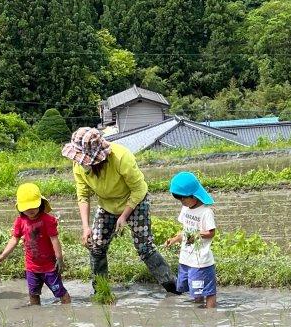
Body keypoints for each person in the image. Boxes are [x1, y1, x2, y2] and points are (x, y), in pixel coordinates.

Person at [62, 127, 178, 294]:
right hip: (107, 205)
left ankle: (173, 288)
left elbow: (138, 189)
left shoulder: (121, 157)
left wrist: (124, 216)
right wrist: (86, 226)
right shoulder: (78, 164)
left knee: (144, 248)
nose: (81, 162)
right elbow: (83, 195)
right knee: (96, 246)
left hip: (135, 201)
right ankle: (101, 292)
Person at [0, 182, 70, 305]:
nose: (30, 210)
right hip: (32, 267)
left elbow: (54, 239)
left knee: (61, 293)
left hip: (50, 266)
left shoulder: (48, 220)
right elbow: (14, 239)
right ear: (20, 207)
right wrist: (3, 255)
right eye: (26, 207)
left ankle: (68, 312)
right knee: (33, 294)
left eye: (33, 206)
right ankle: (36, 316)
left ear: (40, 203)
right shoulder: (20, 221)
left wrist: (60, 258)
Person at [167, 171, 217, 308]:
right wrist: (175, 239)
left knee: (208, 290)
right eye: (180, 199)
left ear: (194, 195)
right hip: (186, 258)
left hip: (200, 261)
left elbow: (211, 233)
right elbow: (185, 230)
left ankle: (211, 314)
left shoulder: (206, 212)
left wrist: (196, 235)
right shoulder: (186, 208)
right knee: (196, 290)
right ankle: (198, 313)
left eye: (183, 198)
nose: (182, 202)